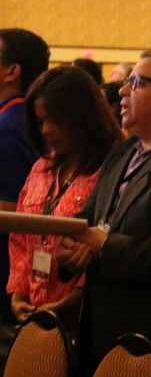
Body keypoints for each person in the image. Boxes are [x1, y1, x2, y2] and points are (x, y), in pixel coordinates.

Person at [56, 49, 151, 373]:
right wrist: (70, 247)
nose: (122, 90)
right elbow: (89, 217)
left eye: (136, 83)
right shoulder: (124, 150)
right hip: (100, 325)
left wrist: (104, 246)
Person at [8, 66, 123, 331]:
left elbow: (105, 244)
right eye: (40, 122)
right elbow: (21, 236)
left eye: (55, 120)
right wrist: (18, 294)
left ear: (83, 117)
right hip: (34, 309)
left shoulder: (113, 167)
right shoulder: (42, 168)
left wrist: (69, 302)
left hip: (87, 318)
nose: (47, 130)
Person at [0, 28, 48, 324]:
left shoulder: (9, 125)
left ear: (12, 71)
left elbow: (15, 208)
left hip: (10, 271)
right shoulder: (17, 117)